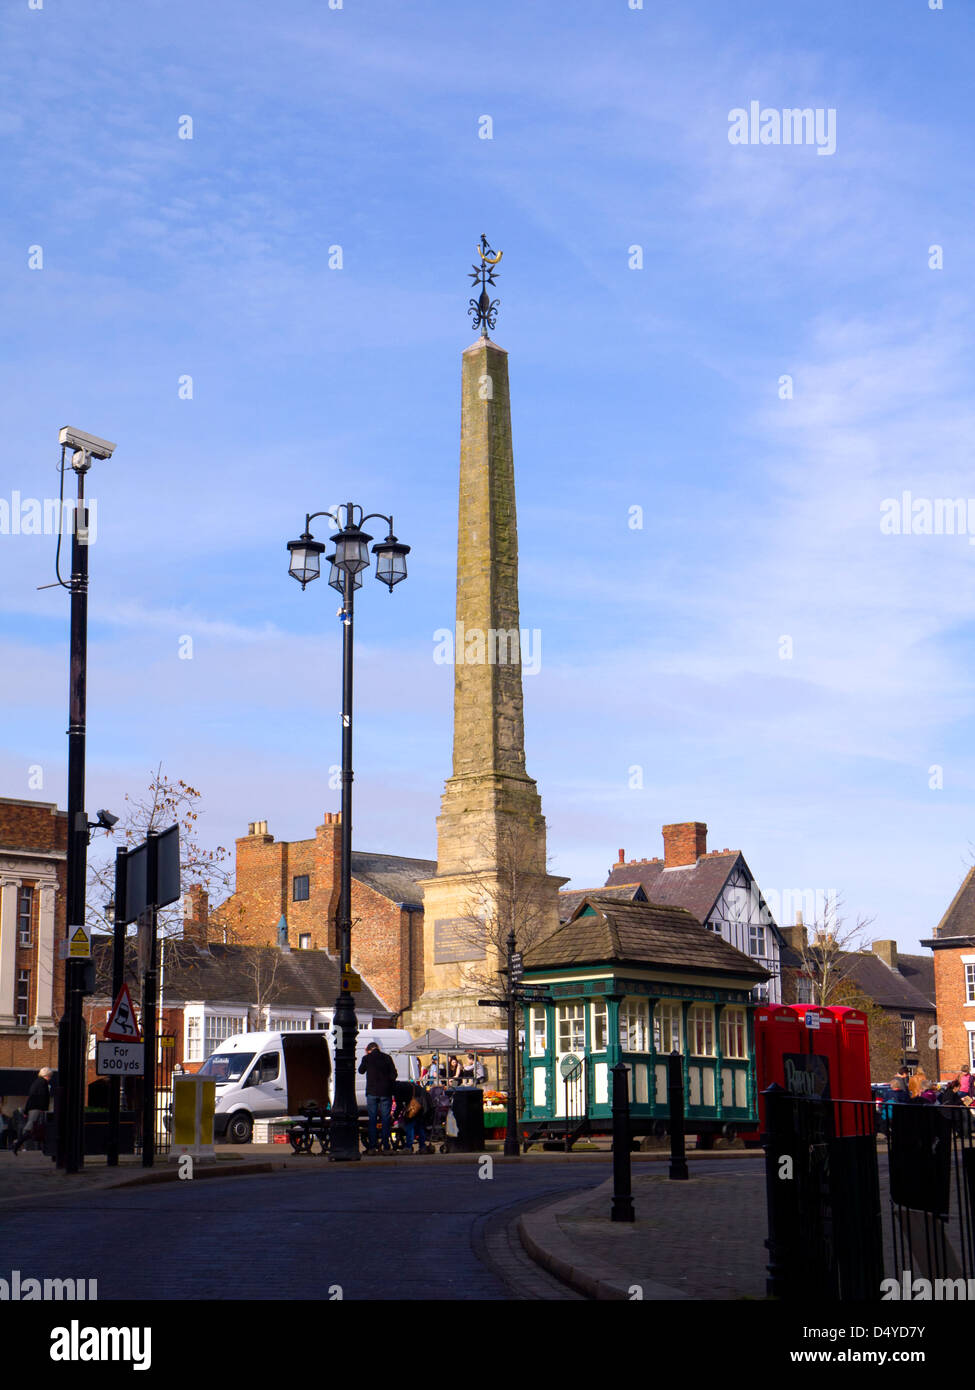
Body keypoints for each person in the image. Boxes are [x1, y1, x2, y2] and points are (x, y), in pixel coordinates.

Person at [358, 1041, 397, 1154]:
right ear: (378, 1048)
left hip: (372, 1092)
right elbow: (394, 1074)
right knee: (385, 1119)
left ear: (368, 1050)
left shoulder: (367, 1058)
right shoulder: (387, 1058)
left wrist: (366, 1058)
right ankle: (386, 1146)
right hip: (385, 1092)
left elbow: (361, 1071)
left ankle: (373, 1146)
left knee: (372, 1120)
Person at [11, 1067, 53, 1155]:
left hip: (33, 1109)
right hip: (38, 1109)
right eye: (50, 1076)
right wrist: (44, 1109)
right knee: (31, 1129)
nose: (51, 1077)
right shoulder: (43, 1083)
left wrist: (26, 1111)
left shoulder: (36, 1082)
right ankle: (17, 1145)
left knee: (35, 1129)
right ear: (48, 1075)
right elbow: (42, 1097)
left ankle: (19, 1144)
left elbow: (30, 1097)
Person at [392, 1078, 434, 1153]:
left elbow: (399, 1106)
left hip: (417, 1103)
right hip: (425, 1102)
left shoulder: (397, 1090)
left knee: (409, 1124)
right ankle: (422, 1147)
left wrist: (394, 1117)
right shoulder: (402, 1084)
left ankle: (409, 1147)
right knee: (419, 1125)